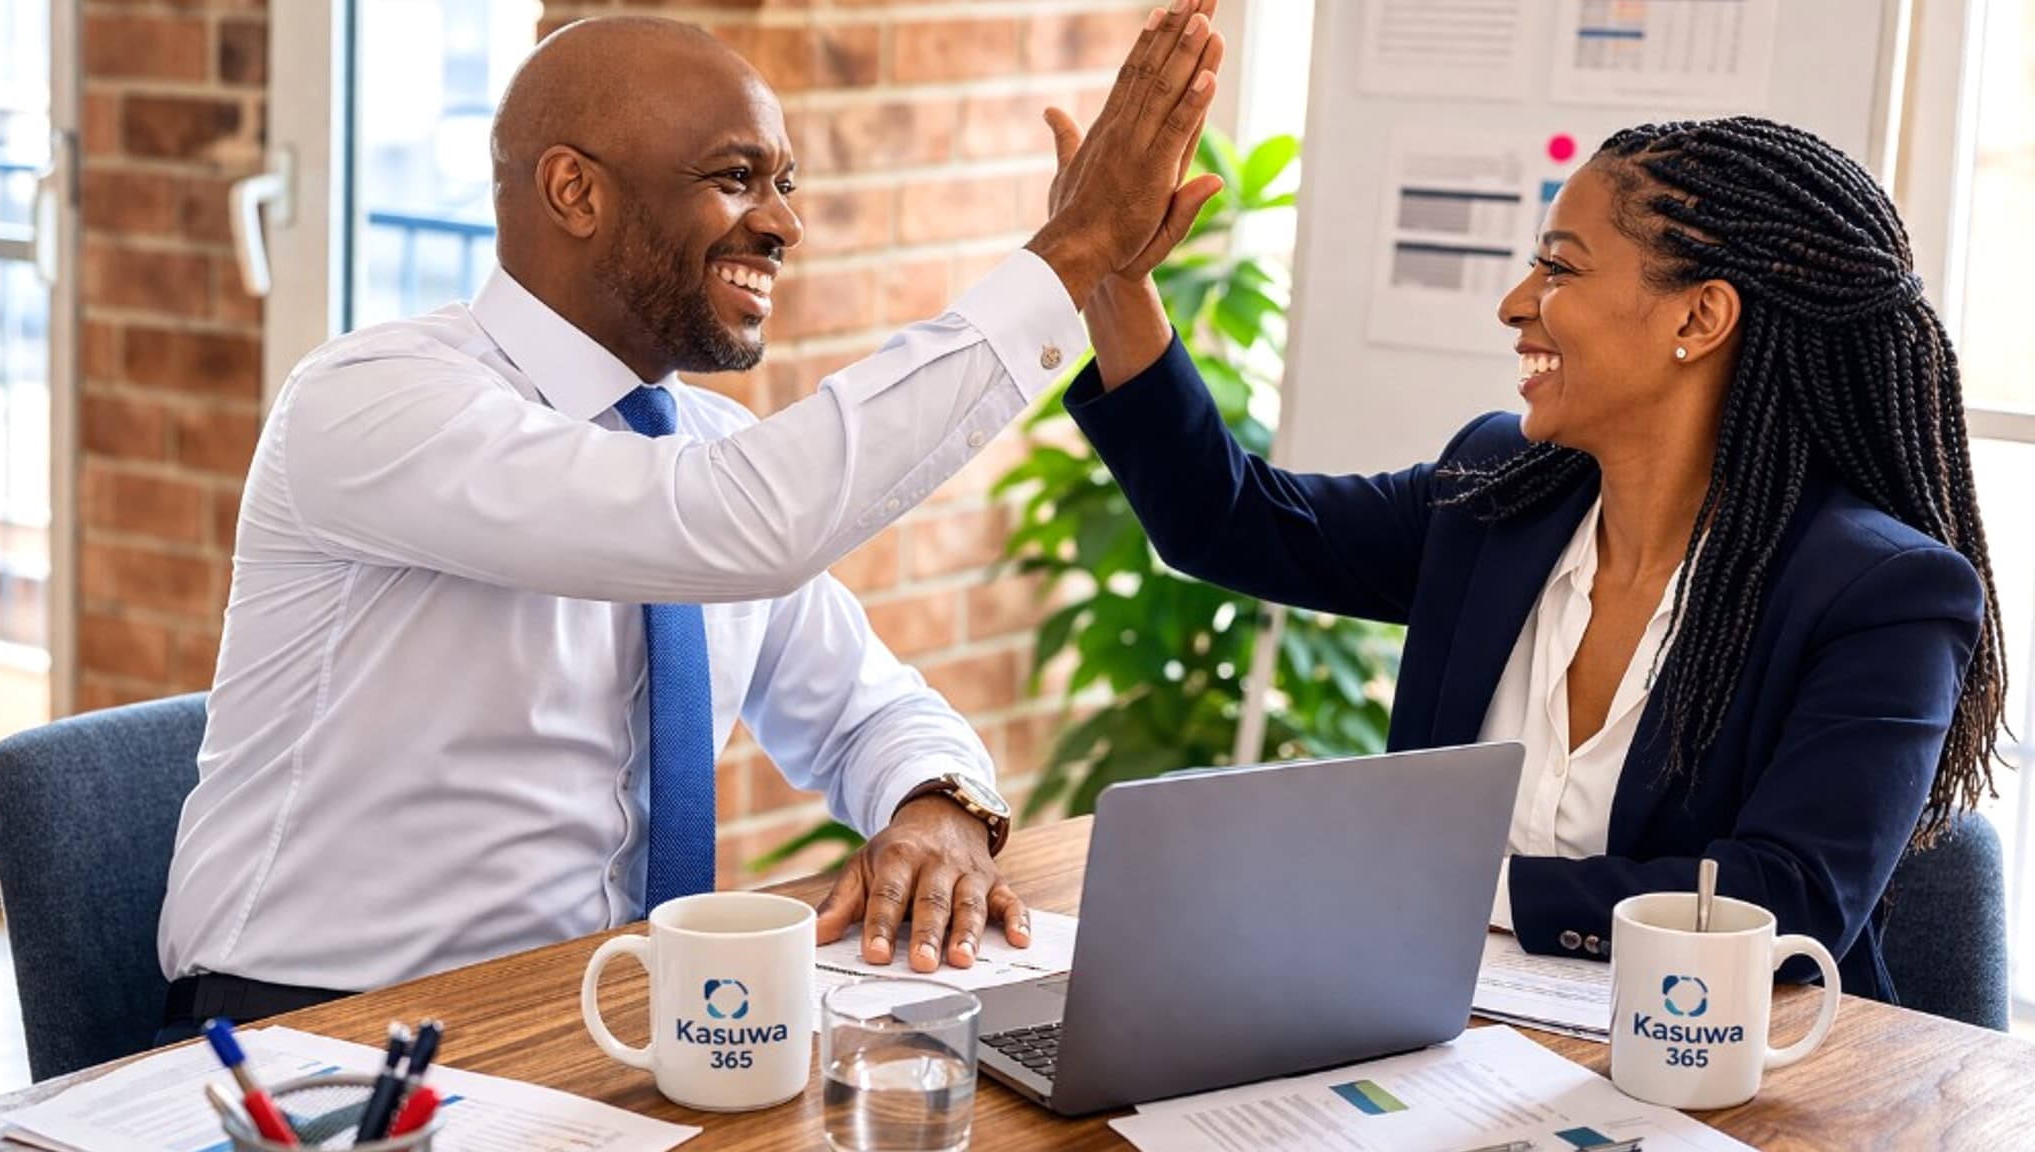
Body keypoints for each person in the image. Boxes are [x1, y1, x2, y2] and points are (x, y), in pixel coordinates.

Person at [156, 6, 1228, 1040]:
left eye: (784, 183)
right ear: (573, 190)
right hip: (324, 1034)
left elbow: (869, 711)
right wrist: (1073, 252)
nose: (783, 222)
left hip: (608, 1020)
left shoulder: (703, 448)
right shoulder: (376, 401)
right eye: (733, 178)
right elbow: (729, 527)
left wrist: (935, 806)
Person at [1062, 116, 2004, 1003]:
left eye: (1559, 268)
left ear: (1700, 317)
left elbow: (1785, 903)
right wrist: (1115, 276)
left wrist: (1461, 888)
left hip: (1742, 1083)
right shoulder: (1501, 491)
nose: (1518, 304)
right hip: (1442, 1037)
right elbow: (1228, 521)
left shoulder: (1879, 593)